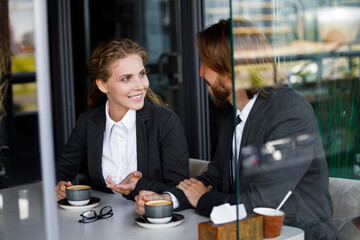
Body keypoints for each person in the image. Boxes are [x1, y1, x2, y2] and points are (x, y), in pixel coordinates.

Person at [135, 19, 340, 239]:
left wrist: (203, 199)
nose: (201, 73)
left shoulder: (289, 112)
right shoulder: (233, 111)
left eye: (206, 63)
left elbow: (260, 203)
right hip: (246, 232)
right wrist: (166, 200)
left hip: (296, 235)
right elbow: (214, 178)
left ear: (231, 68)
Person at [56, 38, 189, 202]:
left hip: (149, 222)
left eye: (141, 74)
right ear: (103, 85)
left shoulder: (165, 122)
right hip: (102, 220)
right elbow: (62, 169)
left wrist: (137, 187)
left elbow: (180, 188)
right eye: (126, 78)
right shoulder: (89, 122)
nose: (140, 86)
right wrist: (60, 185)